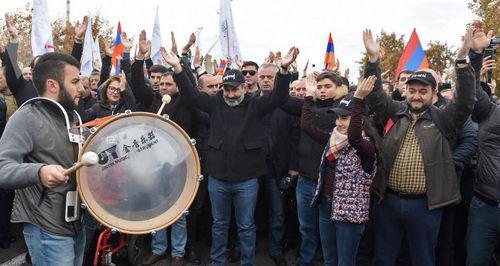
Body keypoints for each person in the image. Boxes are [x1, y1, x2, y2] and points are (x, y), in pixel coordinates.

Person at [166, 45, 297, 266]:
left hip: (247, 180)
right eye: (226, 89)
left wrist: (283, 71)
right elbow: (190, 94)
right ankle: (217, 261)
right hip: (218, 178)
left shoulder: (256, 104)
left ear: (244, 88)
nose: (230, 94)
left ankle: (247, 262)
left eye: (234, 89)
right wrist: (179, 68)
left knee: (246, 225)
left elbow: (278, 98)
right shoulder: (214, 102)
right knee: (219, 224)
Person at [361, 28, 476, 265]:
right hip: (388, 201)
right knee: (384, 258)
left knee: (423, 258)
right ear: (405, 91)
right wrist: (373, 60)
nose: (416, 96)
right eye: (412, 91)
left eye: (423, 92)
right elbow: (374, 96)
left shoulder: (445, 118)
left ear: (434, 93)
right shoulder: (393, 110)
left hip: (426, 205)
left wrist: (463, 59)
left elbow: (465, 100)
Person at [0, 52, 86, 265]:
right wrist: (38, 172)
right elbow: (2, 168)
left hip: (76, 224)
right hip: (47, 229)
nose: (82, 88)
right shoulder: (27, 117)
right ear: (53, 85)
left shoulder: (73, 117)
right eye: (75, 81)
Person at [302, 74, 379, 266]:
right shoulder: (333, 140)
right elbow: (306, 126)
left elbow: (354, 138)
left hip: (349, 214)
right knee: (330, 261)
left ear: (359, 119)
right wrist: (309, 97)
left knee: (345, 262)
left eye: (344, 118)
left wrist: (359, 99)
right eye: (337, 117)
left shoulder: (367, 147)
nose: (338, 123)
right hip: (326, 205)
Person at [280, 70, 348, 266]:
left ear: (338, 88)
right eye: (319, 86)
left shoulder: (341, 110)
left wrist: (309, 99)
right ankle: (306, 261)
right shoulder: (308, 104)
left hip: (330, 181)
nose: (323, 90)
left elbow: (311, 124)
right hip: (306, 179)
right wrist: (285, 72)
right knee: (306, 227)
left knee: (329, 228)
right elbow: (282, 101)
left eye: (328, 86)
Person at [466, 23, 499, 266]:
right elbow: (472, 89)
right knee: (477, 260)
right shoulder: (490, 112)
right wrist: (476, 56)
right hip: (485, 206)